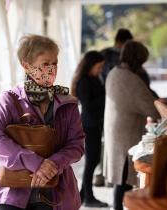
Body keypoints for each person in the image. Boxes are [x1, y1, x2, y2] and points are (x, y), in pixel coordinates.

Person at [0, 35, 85, 210]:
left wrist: (54, 163)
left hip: (56, 193)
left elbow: (77, 145)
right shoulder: (9, 100)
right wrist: (37, 163)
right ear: (26, 65)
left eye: (55, 63)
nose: (52, 69)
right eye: (45, 64)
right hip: (13, 194)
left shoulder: (68, 103)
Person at [104, 40, 160, 210]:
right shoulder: (130, 79)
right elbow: (152, 108)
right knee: (124, 180)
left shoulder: (114, 72)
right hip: (125, 133)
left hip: (115, 130)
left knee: (120, 180)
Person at [70, 51, 108, 207]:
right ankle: (88, 197)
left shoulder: (93, 78)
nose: (100, 70)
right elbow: (88, 105)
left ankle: (82, 195)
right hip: (89, 125)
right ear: (90, 65)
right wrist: (106, 96)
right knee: (91, 161)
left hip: (95, 124)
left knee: (93, 160)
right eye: (98, 67)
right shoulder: (84, 81)